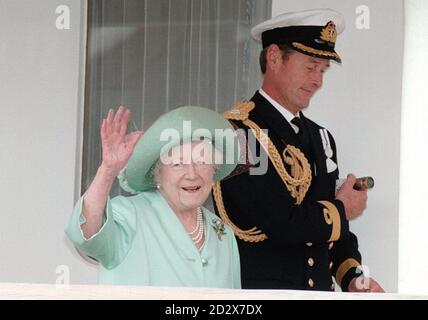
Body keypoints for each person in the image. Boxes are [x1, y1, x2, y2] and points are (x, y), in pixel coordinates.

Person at [212, 9, 384, 292]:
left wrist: (352, 277)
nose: (318, 80)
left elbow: (332, 235)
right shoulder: (236, 133)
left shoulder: (321, 137)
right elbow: (279, 221)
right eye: (310, 66)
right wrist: (342, 210)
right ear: (274, 58)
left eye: (323, 70)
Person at [65, 105, 241, 288]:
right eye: (178, 164)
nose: (191, 174)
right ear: (158, 174)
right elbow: (86, 234)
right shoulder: (129, 215)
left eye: (201, 162)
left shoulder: (222, 232)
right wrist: (108, 170)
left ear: (214, 170)